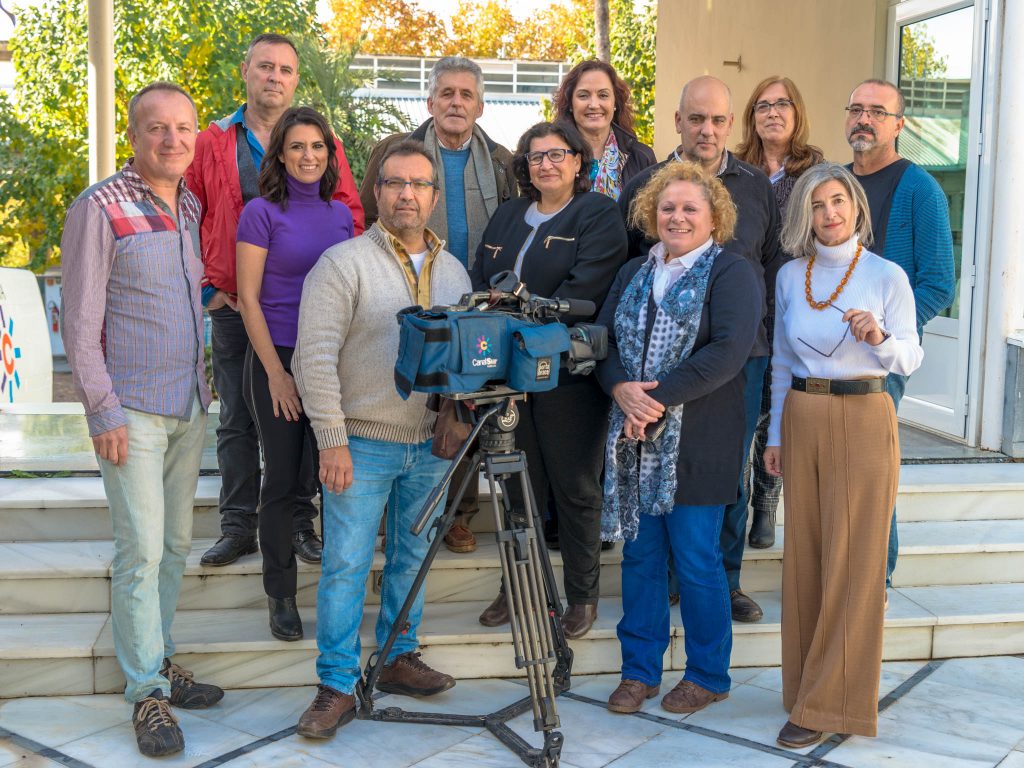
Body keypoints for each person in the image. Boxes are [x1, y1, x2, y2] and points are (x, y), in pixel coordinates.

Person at [61, 82, 224, 758]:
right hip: (130, 408)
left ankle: (157, 658)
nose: (173, 139)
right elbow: (78, 320)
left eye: (184, 127)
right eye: (158, 128)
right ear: (135, 136)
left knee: (178, 548)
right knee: (142, 552)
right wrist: (102, 410)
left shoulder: (187, 206)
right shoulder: (99, 207)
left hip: (187, 405)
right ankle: (145, 695)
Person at [293, 140, 470, 738]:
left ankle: (396, 657)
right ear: (376, 191)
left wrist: (455, 415)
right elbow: (312, 359)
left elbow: (463, 360)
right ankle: (336, 685)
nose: (407, 195)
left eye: (420, 185)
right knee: (344, 564)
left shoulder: (453, 272)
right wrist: (332, 440)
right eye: (395, 183)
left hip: (428, 446)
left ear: (434, 197)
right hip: (361, 444)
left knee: (413, 557)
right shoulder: (342, 263)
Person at [186, 33, 365, 569]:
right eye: (265, 67)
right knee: (238, 417)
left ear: (294, 79)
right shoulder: (213, 141)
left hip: (310, 315)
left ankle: (299, 525)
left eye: (286, 70)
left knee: (311, 419)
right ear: (246, 71)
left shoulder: (317, 141)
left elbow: (350, 215)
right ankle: (237, 525)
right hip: (236, 307)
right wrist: (209, 288)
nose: (275, 77)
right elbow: (187, 215)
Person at [764, 162, 923, 746]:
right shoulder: (789, 277)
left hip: (864, 413)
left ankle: (831, 705)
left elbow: (911, 358)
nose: (829, 214)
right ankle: (806, 687)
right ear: (802, 215)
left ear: (856, 206)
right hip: (803, 415)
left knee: (855, 562)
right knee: (806, 556)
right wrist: (776, 436)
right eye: (817, 205)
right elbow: (782, 360)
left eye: (838, 201)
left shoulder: (887, 276)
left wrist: (879, 339)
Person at [619, 75, 786, 623]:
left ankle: (725, 578)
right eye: (696, 119)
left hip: (739, 355)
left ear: (730, 124)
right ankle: (669, 579)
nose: (707, 130)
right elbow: (631, 274)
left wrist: (748, 343)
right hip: (652, 367)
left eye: (717, 120)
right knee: (656, 472)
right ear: (677, 122)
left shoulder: (757, 185)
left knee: (725, 470)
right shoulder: (645, 184)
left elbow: (772, 268)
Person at [598, 161, 760, 716]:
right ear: (651, 213)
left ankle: (708, 674)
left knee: (695, 559)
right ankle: (638, 672)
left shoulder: (732, 272)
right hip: (634, 441)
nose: (678, 216)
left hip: (700, 441)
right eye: (668, 207)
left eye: (691, 207)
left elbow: (728, 351)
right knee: (640, 557)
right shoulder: (634, 272)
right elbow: (604, 341)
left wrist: (654, 398)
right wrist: (622, 388)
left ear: (715, 216)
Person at [472, 120, 627, 640]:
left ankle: (582, 596)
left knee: (575, 487)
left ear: (579, 161)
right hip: (506, 377)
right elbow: (480, 280)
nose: (547, 164)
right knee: (518, 487)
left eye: (558, 155)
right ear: (525, 166)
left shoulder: (598, 215)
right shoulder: (509, 215)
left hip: (567, 376)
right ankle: (518, 588)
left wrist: (509, 309)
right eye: (536, 157)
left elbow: (584, 290)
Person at [360, 56, 517, 554]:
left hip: (473, 297)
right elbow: (370, 210)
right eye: (446, 93)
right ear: (430, 102)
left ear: (480, 106)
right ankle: (392, 508)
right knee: (406, 392)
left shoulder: (501, 161)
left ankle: (456, 512)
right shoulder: (396, 152)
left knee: (462, 401)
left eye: (466, 95)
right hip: (406, 287)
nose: (456, 102)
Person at [236, 106, 355, 641]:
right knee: (282, 479)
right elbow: (247, 299)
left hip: (328, 359)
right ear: (279, 155)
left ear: (329, 156)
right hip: (276, 356)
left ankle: (338, 592)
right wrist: (278, 376)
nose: (309, 156)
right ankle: (280, 594)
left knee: (325, 475)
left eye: (318, 147)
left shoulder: (340, 216)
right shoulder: (260, 212)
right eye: (298, 147)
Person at [845, 78, 955, 590]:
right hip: (823, 359)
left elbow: (939, 282)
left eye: (878, 112)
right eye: (857, 109)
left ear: (898, 124)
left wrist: (891, 335)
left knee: (871, 475)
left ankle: (874, 581)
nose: (864, 119)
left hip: (879, 361)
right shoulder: (836, 185)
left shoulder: (918, 188)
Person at [735, 76, 825, 550]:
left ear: (797, 112)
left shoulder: (816, 171)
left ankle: (766, 507)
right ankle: (740, 496)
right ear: (751, 116)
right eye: (762, 105)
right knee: (745, 413)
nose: (772, 112)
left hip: (797, 306)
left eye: (782, 104)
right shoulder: (734, 171)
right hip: (745, 306)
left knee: (779, 409)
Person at [553, 59, 656, 201]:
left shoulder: (641, 157)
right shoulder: (551, 156)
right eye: (583, 95)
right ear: (570, 104)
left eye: (603, 95)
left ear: (615, 103)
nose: (594, 105)